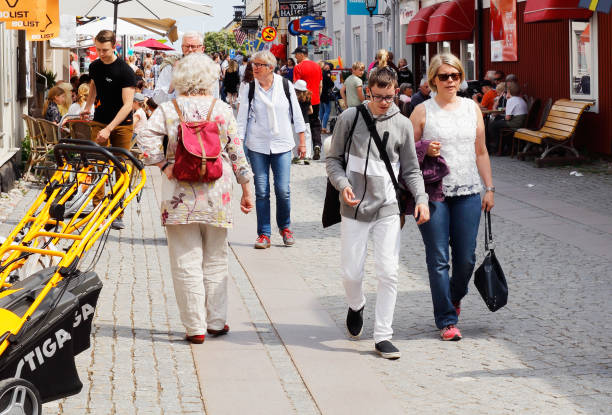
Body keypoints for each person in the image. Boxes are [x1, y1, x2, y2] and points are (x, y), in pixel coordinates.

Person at [137, 53, 254, 344]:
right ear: (209, 78)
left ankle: (195, 327)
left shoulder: (168, 108)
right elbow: (237, 153)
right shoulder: (221, 109)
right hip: (218, 192)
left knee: (185, 260)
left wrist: (163, 165)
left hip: (179, 194)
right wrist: (247, 189)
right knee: (216, 258)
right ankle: (216, 321)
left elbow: (144, 137)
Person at [326, 67, 429, 359]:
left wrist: (420, 199)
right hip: (354, 207)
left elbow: (411, 169)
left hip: (387, 207)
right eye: (379, 96)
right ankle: (356, 304)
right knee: (351, 272)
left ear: (396, 91)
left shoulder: (403, 124)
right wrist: (343, 184)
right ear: (368, 92)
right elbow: (333, 160)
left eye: (390, 96)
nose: (385, 102)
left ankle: (383, 335)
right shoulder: (350, 118)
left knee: (389, 272)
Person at [409, 53, 494, 341]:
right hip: (433, 192)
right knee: (438, 258)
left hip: (468, 191)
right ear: (433, 79)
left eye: (455, 76)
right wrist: (424, 147)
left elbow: (481, 151)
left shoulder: (472, 109)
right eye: (444, 76)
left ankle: (455, 296)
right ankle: (446, 319)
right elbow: (405, 153)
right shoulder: (422, 111)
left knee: (467, 258)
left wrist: (489, 187)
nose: (450, 81)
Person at [236, 51, 307, 249]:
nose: (254, 68)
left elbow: (296, 114)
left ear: (270, 67)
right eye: (253, 64)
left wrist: (302, 141)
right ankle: (264, 234)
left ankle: (285, 227)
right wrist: (238, 147)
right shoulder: (249, 88)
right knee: (262, 191)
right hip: (257, 145)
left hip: (282, 143)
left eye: (259, 64)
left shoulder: (285, 85)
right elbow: (241, 120)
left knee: (283, 190)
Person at [82, 30, 138, 230]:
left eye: (104, 50)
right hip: (99, 120)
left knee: (120, 168)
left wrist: (109, 128)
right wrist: (88, 106)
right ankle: (98, 208)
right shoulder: (95, 66)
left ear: (114, 46)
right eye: (97, 49)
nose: (100, 53)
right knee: (97, 165)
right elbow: (94, 85)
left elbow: (128, 105)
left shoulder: (125, 71)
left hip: (122, 125)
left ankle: (117, 212)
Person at [154, 32, 219, 104]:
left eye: (194, 46)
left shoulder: (210, 69)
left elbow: (215, 99)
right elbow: (157, 99)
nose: (190, 50)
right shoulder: (171, 66)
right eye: (187, 46)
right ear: (182, 48)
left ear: (202, 49)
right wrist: (174, 79)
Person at [293, 46, 323, 160]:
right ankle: (317, 144)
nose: (295, 57)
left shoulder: (298, 67)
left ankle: (304, 150)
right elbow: (320, 85)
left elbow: (296, 85)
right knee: (315, 123)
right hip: (315, 99)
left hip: (302, 100)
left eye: (296, 54)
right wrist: (317, 97)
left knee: (303, 124)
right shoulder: (317, 66)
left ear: (301, 54)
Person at [488, 81, 528, 154]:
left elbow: (507, 118)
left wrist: (503, 118)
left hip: (515, 123)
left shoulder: (511, 100)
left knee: (493, 125)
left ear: (509, 91)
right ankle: (503, 147)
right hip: (521, 122)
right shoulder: (520, 99)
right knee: (497, 123)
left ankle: (499, 148)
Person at [293, 79, 312, 164]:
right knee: (307, 138)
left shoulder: (293, 99)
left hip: (295, 121)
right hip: (306, 121)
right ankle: (307, 156)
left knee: (295, 139)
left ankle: (297, 157)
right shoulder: (307, 98)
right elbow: (311, 111)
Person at [320, 62, 334, 134]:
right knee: (327, 111)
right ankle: (324, 128)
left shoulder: (320, 72)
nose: (325, 65)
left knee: (321, 111)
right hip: (325, 94)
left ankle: (320, 127)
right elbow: (330, 83)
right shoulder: (327, 73)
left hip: (320, 93)